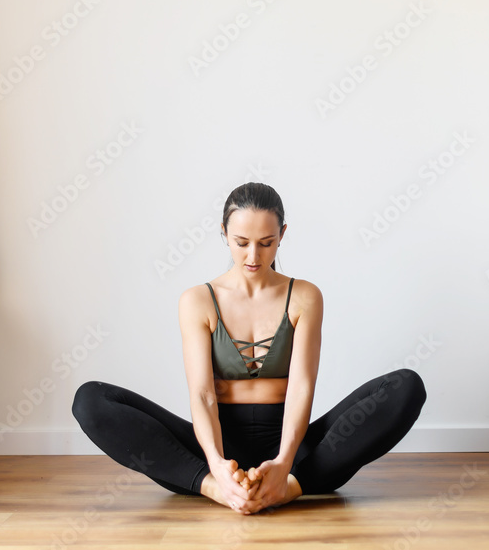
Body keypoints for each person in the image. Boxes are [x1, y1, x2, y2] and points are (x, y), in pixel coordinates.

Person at [72, 183, 426, 514]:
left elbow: (301, 388)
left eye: (266, 242)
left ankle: (289, 487)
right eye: (241, 242)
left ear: (282, 235)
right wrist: (215, 466)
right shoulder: (198, 300)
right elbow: (203, 394)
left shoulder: (304, 296)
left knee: (406, 386)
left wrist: (284, 463)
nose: (253, 255)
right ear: (224, 233)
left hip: (296, 451)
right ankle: (215, 488)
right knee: (90, 399)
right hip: (213, 451)